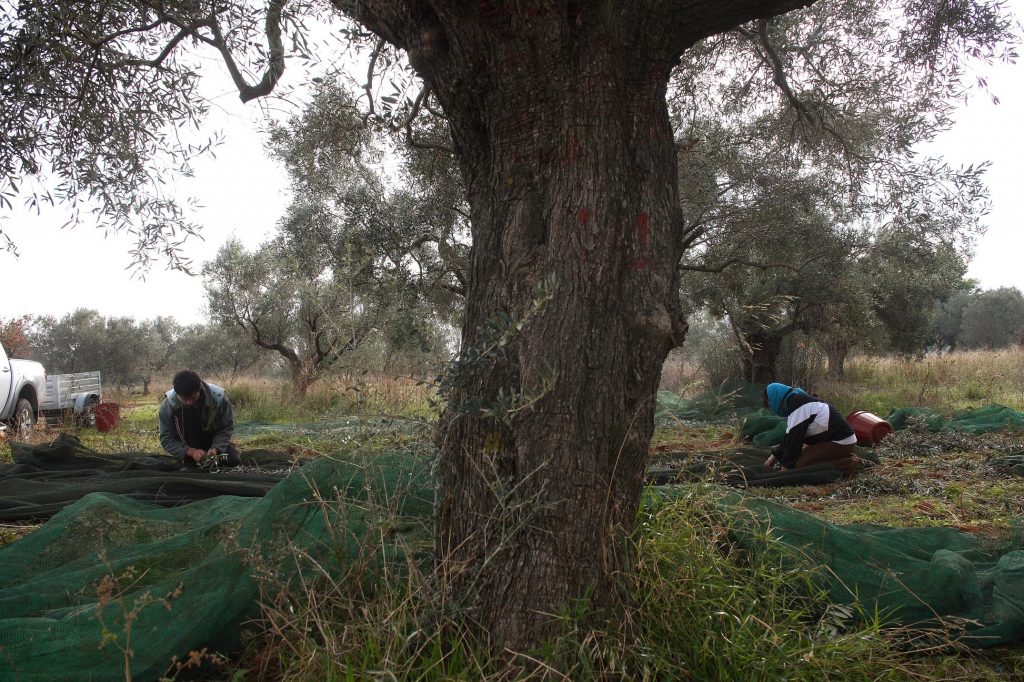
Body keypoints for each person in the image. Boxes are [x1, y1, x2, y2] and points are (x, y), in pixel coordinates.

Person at [762, 382, 859, 475]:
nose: (772, 408)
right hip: (828, 440)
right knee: (797, 460)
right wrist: (772, 458)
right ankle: (841, 456)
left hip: (841, 441)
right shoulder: (795, 401)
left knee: (798, 465)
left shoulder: (798, 405)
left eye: (770, 404)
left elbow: (794, 441)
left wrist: (786, 467)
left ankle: (847, 463)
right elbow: (789, 437)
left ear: (775, 398)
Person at [158, 370, 241, 469]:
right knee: (190, 468)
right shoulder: (167, 406)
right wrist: (191, 452)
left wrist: (216, 448)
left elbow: (226, 428)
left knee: (233, 460)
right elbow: (167, 439)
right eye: (184, 399)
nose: (189, 402)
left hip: (213, 443)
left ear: (200, 389)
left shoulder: (219, 398)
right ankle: (191, 462)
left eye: (193, 398)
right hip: (187, 447)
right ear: (177, 393)